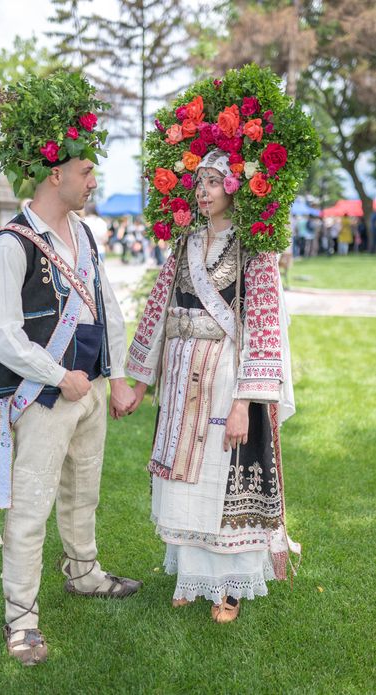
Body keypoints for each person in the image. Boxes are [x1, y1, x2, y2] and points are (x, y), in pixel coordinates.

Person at [0, 71, 140, 666]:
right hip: (43, 397)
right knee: (33, 504)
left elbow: (108, 307)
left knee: (83, 493)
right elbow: (0, 332)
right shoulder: (12, 243)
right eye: (87, 171)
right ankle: (21, 618)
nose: (94, 181)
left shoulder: (86, 236)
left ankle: (84, 571)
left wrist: (115, 375)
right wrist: (55, 374)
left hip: (89, 388)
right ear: (56, 174)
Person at [127, 152, 299, 622]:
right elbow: (158, 308)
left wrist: (246, 401)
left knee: (220, 477)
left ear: (235, 187)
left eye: (212, 182)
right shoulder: (184, 244)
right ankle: (190, 575)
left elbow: (263, 327)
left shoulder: (256, 250)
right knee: (183, 474)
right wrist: (140, 381)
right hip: (183, 379)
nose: (202, 191)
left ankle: (230, 586)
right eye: (198, 182)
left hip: (225, 378)